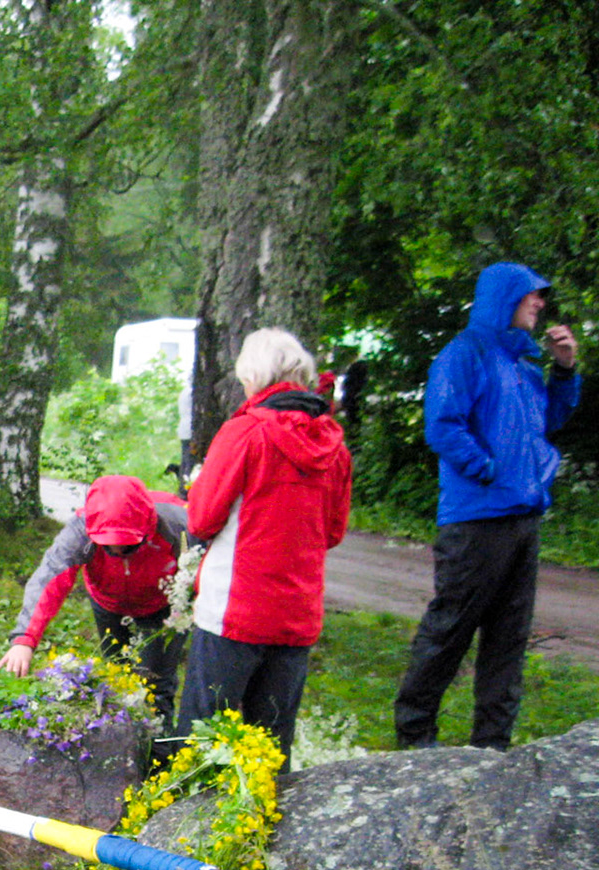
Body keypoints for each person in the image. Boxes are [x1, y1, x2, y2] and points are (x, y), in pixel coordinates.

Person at [394, 262, 582, 751]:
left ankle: (492, 745)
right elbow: (442, 426)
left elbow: (550, 421)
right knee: (450, 629)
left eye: (541, 296)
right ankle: (415, 736)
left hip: (523, 518)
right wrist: (488, 470)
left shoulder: (522, 364)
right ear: (504, 298)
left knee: (509, 637)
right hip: (476, 520)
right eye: (531, 296)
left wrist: (564, 370)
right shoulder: (465, 354)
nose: (540, 304)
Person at [176, 328, 351, 769]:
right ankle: (261, 834)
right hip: (296, 615)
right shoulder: (334, 445)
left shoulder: (244, 434)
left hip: (234, 611)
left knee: (202, 738)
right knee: (270, 748)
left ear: (254, 376)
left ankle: (179, 832)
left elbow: (200, 519)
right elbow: (332, 532)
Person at [0, 474, 191, 723]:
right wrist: (25, 639)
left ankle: (159, 750)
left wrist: (191, 604)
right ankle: (122, 735)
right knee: (116, 673)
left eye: (128, 545)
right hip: (107, 600)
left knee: (155, 681)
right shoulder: (80, 531)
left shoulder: (175, 521)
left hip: (163, 605)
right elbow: (49, 579)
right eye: (109, 545)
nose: (119, 551)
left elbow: (210, 562)